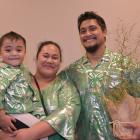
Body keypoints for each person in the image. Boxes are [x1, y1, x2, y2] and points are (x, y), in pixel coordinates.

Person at [61, 11, 140, 140]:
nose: (87, 34)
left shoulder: (125, 65)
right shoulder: (71, 73)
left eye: (92, 29)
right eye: (83, 31)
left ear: (104, 32)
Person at [0, 41, 80, 140]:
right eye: (45, 56)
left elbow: (67, 113)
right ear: (36, 58)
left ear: (60, 62)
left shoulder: (65, 86)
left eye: (55, 57)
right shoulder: (19, 82)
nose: (50, 61)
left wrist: (30, 134)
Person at [0, 31, 34, 133]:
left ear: (25, 52)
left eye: (19, 50)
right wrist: (1, 116)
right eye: (8, 50)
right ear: (0, 52)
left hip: (25, 113)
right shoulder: (2, 71)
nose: (14, 53)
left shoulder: (25, 69)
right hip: (10, 116)